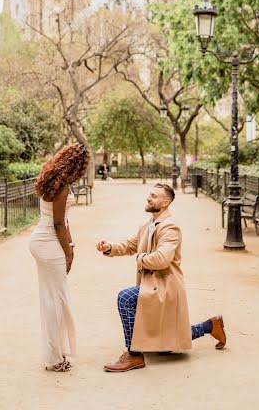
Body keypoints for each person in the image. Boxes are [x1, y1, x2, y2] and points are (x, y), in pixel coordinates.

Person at [97, 183, 226, 372]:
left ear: (165, 203)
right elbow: (130, 245)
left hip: (166, 284)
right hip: (153, 283)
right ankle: (210, 325)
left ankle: (134, 355)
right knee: (168, 336)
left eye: (154, 196)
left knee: (125, 298)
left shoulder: (170, 227)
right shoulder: (147, 224)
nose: (149, 198)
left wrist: (140, 259)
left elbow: (162, 260)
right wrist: (110, 248)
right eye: (149, 195)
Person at [29, 142, 90, 372]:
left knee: (51, 298)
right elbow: (57, 224)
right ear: (76, 165)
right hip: (48, 244)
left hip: (41, 241)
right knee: (56, 300)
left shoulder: (51, 180)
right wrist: (67, 252)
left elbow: (63, 220)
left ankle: (54, 353)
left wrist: (71, 244)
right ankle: (55, 358)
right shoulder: (61, 187)